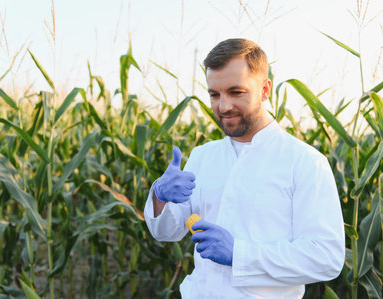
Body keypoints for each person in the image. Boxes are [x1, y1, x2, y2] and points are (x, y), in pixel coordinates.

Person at [144, 38, 345, 298]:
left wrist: (240, 255)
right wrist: (160, 196)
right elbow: (167, 232)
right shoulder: (202, 156)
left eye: (235, 92)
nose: (223, 106)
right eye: (214, 94)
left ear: (264, 89)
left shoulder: (305, 162)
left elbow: (326, 258)